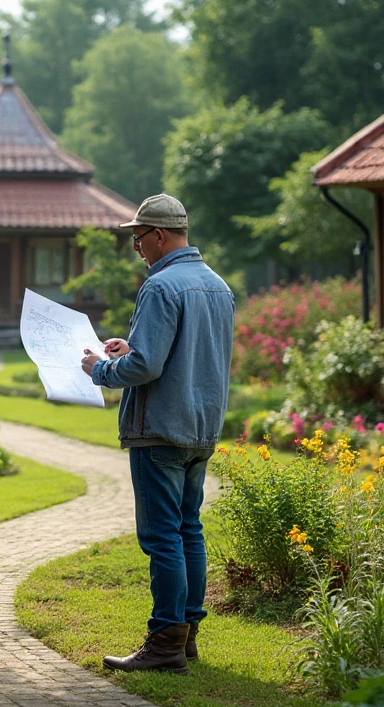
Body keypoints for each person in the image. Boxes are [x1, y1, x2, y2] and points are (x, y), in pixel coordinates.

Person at [78, 193, 234, 675]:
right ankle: (186, 636)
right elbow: (173, 353)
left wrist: (101, 368)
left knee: (162, 536)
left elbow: (145, 368)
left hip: (160, 430)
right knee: (189, 530)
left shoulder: (161, 286)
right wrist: (132, 348)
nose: (137, 249)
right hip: (200, 429)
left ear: (159, 236)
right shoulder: (217, 286)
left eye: (138, 239)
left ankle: (164, 642)